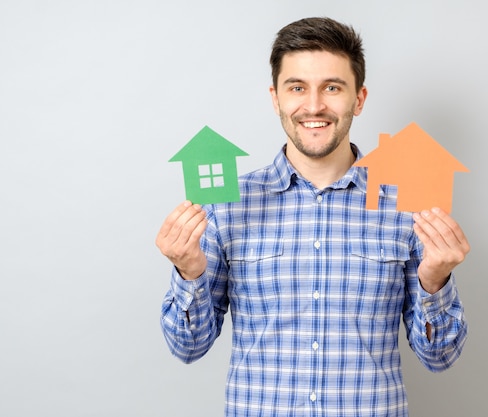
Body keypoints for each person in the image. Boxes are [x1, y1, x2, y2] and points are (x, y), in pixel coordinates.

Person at [157, 17, 470, 417]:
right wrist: (189, 274)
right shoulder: (226, 207)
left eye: (332, 87)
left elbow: (441, 357)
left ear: (359, 98)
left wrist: (435, 281)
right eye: (297, 88)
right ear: (276, 98)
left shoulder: (407, 208)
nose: (314, 105)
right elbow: (187, 347)